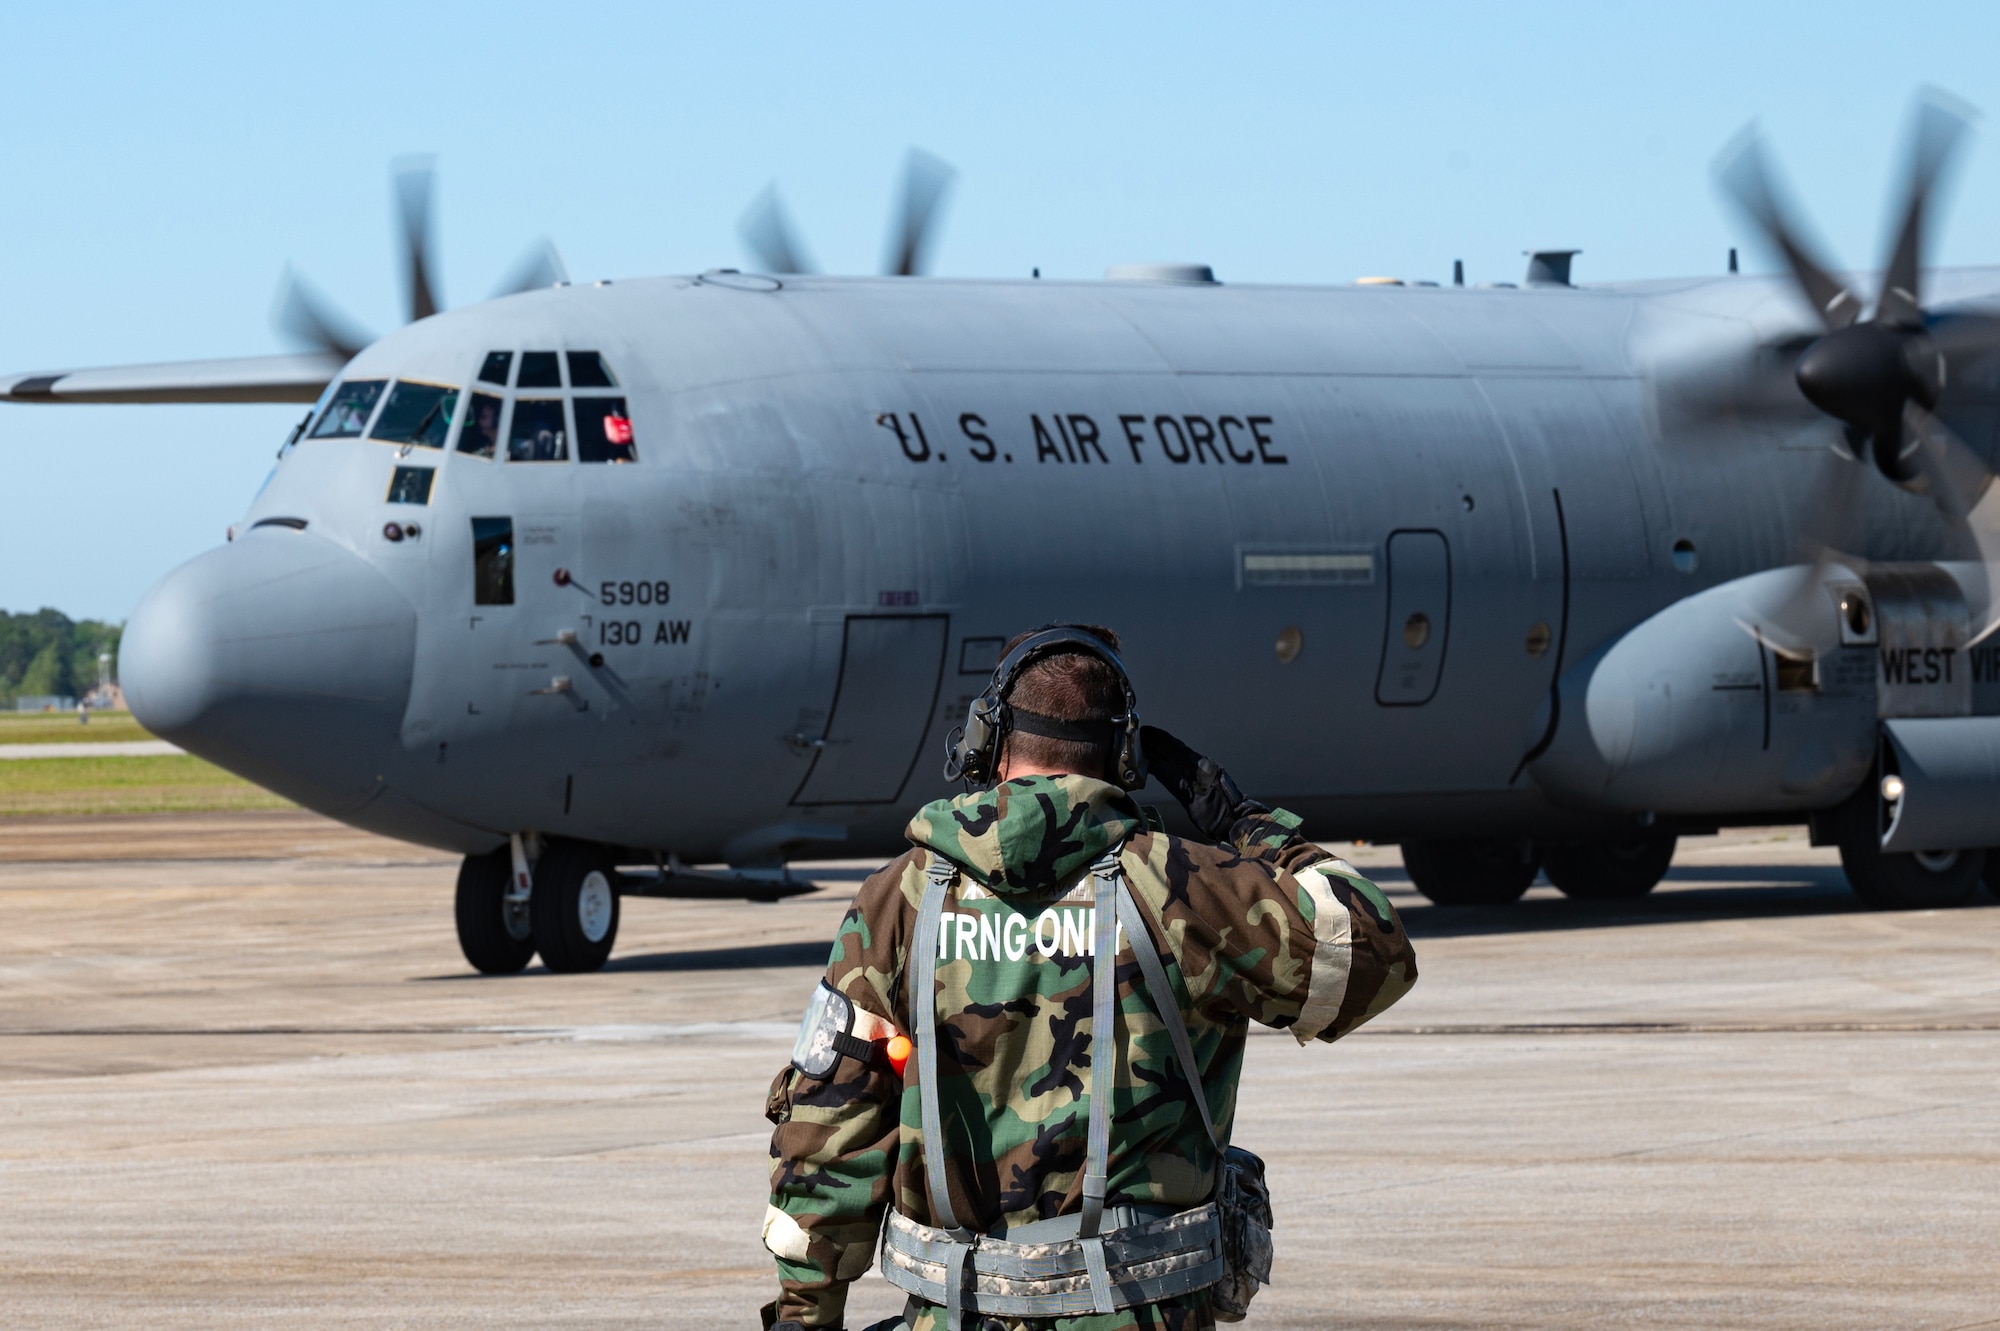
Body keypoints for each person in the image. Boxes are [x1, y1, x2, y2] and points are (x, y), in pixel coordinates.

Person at [762, 625, 1418, 1331]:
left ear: (988, 743)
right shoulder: (1187, 889)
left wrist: (807, 1314)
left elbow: (827, 1129)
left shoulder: (897, 902)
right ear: (1123, 756)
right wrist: (1249, 824)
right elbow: (1373, 949)